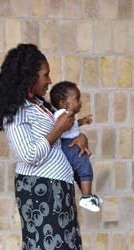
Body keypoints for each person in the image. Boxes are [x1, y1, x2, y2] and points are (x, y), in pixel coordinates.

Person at [0, 43, 89, 250]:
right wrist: (58, 129)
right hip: (37, 189)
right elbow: (29, 154)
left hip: (58, 186)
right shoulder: (16, 110)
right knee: (38, 249)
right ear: (28, 76)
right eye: (45, 75)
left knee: (60, 249)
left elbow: (62, 138)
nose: (49, 80)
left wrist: (78, 134)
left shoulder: (41, 106)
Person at [49, 81, 103, 212]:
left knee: (80, 170)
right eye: (76, 99)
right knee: (85, 168)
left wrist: (82, 121)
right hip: (68, 145)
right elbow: (61, 125)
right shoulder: (63, 114)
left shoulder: (68, 115)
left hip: (70, 143)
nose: (80, 102)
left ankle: (88, 196)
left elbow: (71, 125)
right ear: (63, 103)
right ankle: (86, 198)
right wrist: (72, 112)